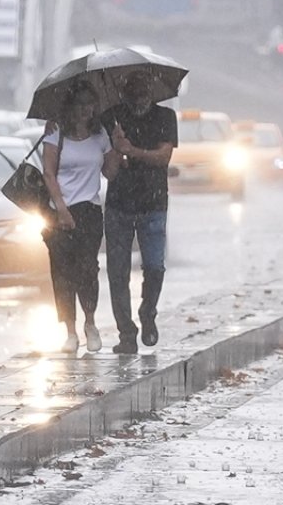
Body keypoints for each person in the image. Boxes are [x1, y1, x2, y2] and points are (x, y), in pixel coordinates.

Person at [101, 71, 177, 354]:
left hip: (153, 205)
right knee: (117, 272)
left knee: (155, 267)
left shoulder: (165, 118)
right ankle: (126, 333)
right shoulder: (112, 118)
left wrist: (132, 150)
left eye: (144, 88)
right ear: (124, 91)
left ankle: (148, 312)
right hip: (119, 205)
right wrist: (116, 151)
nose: (139, 94)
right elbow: (106, 168)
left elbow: (163, 157)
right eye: (133, 89)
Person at [42, 83, 120, 353]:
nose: (86, 109)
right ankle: (70, 331)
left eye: (91, 104)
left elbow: (111, 173)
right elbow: (49, 173)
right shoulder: (55, 135)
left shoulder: (101, 136)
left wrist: (118, 148)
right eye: (81, 103)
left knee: (88, 268)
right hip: (59, 211)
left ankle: (90, 322)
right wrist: (61, 209)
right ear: (70, 107)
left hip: (89, 210)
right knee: (62, 271)